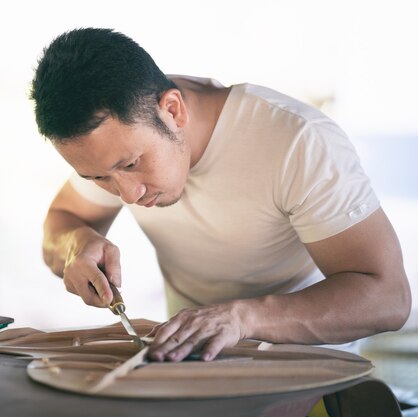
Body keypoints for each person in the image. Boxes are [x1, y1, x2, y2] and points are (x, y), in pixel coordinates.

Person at [29, 28, 411, 363]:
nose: (128, 194)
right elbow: (65, 219)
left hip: (308, 374)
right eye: (98, 177)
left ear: (173, 111)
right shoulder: (113, 133)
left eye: (130, 165)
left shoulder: (297, 140)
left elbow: (388, 298)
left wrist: (243, 318)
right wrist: (75, 246)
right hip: (190, 367)